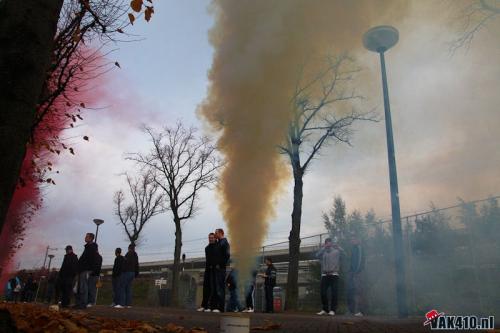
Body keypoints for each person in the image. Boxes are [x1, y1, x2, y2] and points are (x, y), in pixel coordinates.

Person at [316, 238, 341, 316]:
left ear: (332, 243)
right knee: (323, 293)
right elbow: (317, 255)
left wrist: (339, 247)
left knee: (334, 293)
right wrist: (323, 248)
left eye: (329, 243)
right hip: (324, 275)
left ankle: (333, 310)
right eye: (327, 243)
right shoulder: (323, 252)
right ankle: (325, 309)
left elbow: (345, 255)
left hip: (334, 274)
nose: (328, 244)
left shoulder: (336, 252)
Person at [75, 232, 98, 309]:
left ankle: (83, 304)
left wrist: (91, 270)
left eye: (87, 236)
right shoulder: (87, 247)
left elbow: (92, 260)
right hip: (82, 270)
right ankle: (79, 303)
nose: (85, 237)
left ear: (91, 238)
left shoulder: (92, 248)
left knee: (83, 287)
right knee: (80, 287)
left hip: (86, 270)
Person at [115, 243, 139, 308]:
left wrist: (122, 271)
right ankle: (128, 304)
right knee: (129, 288)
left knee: (122, 287)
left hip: (127, 272)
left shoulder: (128, 254)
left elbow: (125, 264)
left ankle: (121, 304)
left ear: (129, 248)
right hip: (133, 273)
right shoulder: (135, 255)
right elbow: (137, 265)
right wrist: (136, 274)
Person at [198, 233, 217, 312]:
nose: (210, 239)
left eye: (212, 238)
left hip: (215, 270)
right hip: (208, 270)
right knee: (206, 288)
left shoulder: (217, 247)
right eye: (209, 238)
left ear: (215, 238)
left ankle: (211, 306)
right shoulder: (207, 248)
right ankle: (204, 305)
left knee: (213, 288)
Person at [347, 234, 365, 317]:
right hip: (352, 273)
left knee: (359, 291)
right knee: (351, 290)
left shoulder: (359, 248)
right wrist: (350, 271)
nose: (352, 241)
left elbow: (360, 261)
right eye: (351, 239)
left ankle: (361, 311)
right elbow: (352, 262)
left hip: (358, 273)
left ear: (358, 240)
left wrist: (356, 271)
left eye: (353, 239)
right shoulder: (353, 249)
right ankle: (352, 310)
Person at [213, 228, 230, 313]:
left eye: (216, 233)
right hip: (218, 268)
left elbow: (227, 255)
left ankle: (221, 308)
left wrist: (220, 265)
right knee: (218, 287)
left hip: (221, 268)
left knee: (220, 287)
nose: (215, 235)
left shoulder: (224, 243)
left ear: (220, 233)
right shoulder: (219, 242)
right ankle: (218, 307)